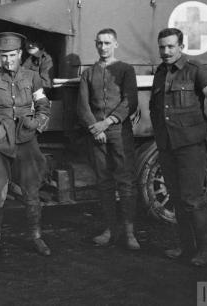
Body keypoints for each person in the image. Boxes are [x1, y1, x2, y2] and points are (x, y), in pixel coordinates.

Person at [150, 28, 207, 266]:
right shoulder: (160, 73)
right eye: (162, 47)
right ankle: (185, 247)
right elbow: (156, 109)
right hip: (167, 147)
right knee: (177, 198)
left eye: (170, 46)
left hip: (190, 147)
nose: (166, 51)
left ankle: (205, 250)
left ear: (181, 46)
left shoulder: (197, 71)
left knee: (193, 199)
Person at [0, 32, 51, 258]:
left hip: (26, 140)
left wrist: (37, 124)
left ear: (20, 54)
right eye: (3, 55)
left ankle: (37, 237)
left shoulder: (32, 77)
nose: (7, 60)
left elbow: (43, 106)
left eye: (12, 55)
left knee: (32, 193)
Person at [77, 28, 140, 250]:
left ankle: (130, 232)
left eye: (107, 43)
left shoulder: (125, 70)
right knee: (104, 182)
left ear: (116, 44)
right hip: (96, 133)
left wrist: (108, 122)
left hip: (119, 132)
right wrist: (95, 128)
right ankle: (110, 229)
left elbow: (130, 101)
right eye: (99, 43)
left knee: (125, 180)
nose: (103, 47)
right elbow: (83, 105)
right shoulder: (87, 73)